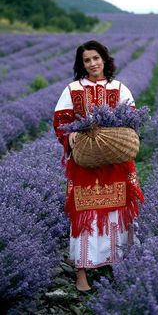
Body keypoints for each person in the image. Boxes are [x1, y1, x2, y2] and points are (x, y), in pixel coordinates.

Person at [53, 40, 144, 293]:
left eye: (96, 58)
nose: (92, 63)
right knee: (84, 213)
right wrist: (70, 137)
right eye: (87, 60)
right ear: (81, 64)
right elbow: (60, 121)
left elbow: (133, 120)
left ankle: (117, 264)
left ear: (104, 59)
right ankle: (82, 272)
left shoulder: (119, 88)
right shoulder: (72, 89)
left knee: (117, 210)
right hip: (85, 162)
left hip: (116, 161)